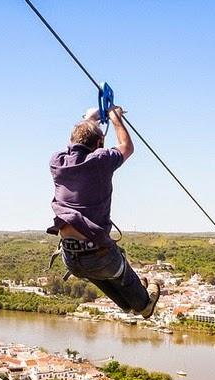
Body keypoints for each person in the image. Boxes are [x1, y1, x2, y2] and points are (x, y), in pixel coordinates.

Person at [47, 105, 160, 318]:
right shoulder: (100, 161)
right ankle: (142, 304)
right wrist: (115, 119)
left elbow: (75, 143)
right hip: (98, 255)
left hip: (71, 258)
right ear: (99, 144)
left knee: (97, 273)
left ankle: (126, 305)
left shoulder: (57, 162)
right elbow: (126, 146)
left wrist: (89, 119)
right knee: (121, 274)